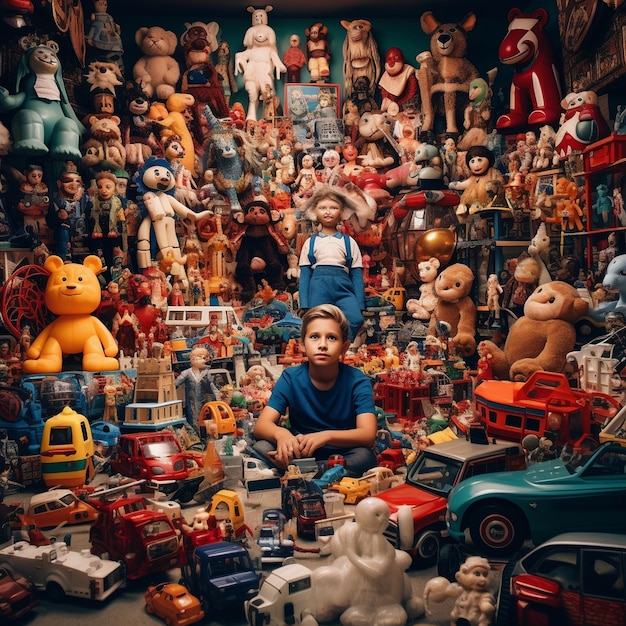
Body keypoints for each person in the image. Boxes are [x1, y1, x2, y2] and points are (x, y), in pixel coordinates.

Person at [253, 304, 377, 476]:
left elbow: (368, 434)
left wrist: (326, 437)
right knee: (261, 446)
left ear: (344, 347)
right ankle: (314, 469)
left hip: (342, 452)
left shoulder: (358, 381)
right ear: (302, 344)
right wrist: (282, 435)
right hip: (300, 450)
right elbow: (261, 425)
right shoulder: (291, 378)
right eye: (314, 337)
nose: (323, 345)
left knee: (365, 457)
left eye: (332, 338)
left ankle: (300, 469)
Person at [298, 187, 366, 342]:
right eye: (323, 208)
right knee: (317, 323)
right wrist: (305, 303)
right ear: (315, 212)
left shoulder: (349, 242)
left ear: (342, 213)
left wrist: (360, 305)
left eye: (333, 208)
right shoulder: (311, 242)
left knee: (355, 318)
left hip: (343, 286)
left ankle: (342, 345)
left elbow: (356, 276)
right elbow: (305, 275)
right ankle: (324, 348)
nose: (328, 212)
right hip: (319, 286)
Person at [175, 345, 220, 431]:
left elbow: (213, 387)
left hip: (204, 404)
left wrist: (219, 397)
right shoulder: (186, 373)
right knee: (193, 425)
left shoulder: (206, 373)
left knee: (205, 424)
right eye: (203, 358)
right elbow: (175, 384)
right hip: (191, 405)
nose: (205, 361)